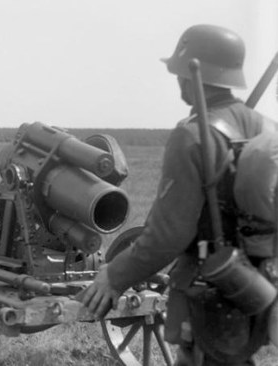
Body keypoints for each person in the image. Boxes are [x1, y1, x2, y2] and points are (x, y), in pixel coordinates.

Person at [79, 24, 277, 365]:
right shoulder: (264, 127)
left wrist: (115, 274)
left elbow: (169, 235)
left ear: (190, 75)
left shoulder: (192, 136)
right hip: (257, 281)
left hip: (212, 287)